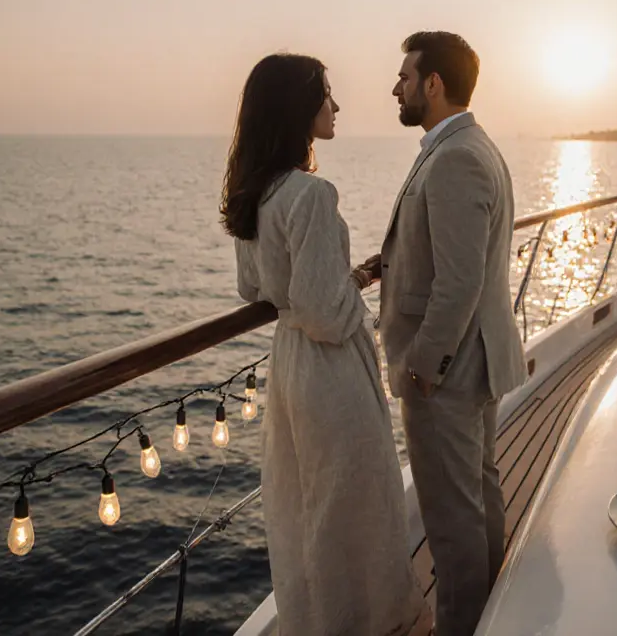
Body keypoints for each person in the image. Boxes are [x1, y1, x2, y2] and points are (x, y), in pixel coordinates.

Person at [223, 53, 428, 636]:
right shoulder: (311, 194)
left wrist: (342, 280)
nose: (336, 107)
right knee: (356, 499)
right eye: (327, 96)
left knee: (303, 505)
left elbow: (255, 288)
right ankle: (369, 622)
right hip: (330, 368)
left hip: (289, 366)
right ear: (298, 108)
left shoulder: (255, 191)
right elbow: (326, 313)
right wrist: (354, 288)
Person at [366, 31, 528, 636]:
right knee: (479, 498)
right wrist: (389, 263)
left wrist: (419, 369)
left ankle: (462, 625)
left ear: (433, 84)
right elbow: (447, 253)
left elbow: (458, 282)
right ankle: (492, 617)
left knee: (452, 517)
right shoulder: (469, 145)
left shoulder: (456, 155)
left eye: (404, 77)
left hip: (449, 371)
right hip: (477, 359)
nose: (396, 87)